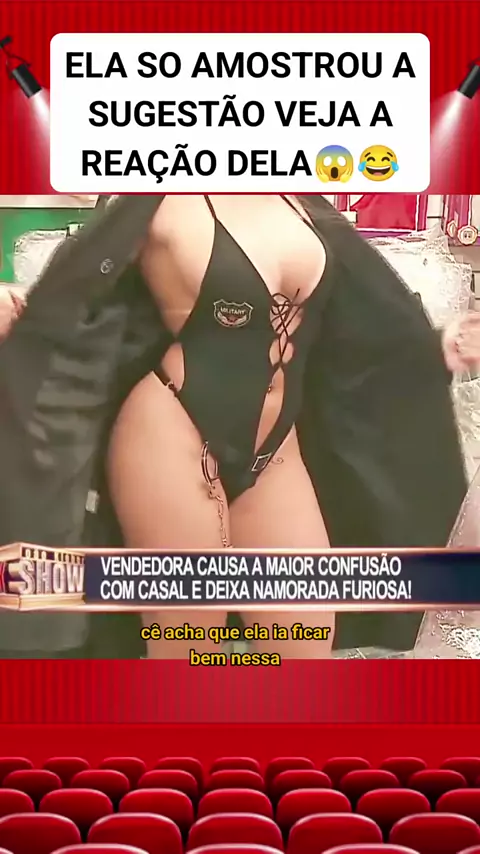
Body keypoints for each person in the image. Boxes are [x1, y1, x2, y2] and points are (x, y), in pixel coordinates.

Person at [0, 194, 469, 659]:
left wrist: (436, 345)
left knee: (305, 647)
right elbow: (79, 290)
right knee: (189, 649)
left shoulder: (299, 202)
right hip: (172, 433)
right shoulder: (156, 199)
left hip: (274, 452)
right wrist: (22, 316)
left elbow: (364, 319)